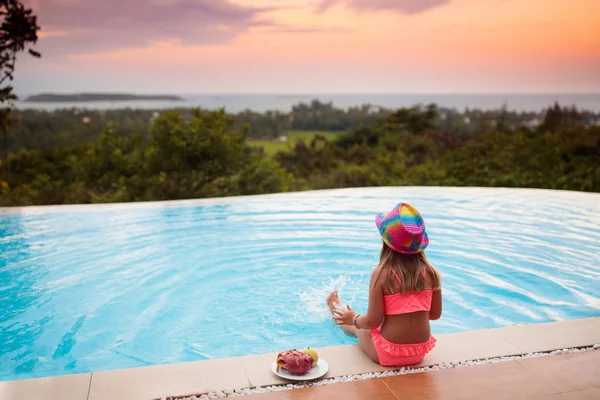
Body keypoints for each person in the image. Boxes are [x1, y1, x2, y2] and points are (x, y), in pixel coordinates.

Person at [327, 203, 442, 367]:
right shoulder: (432, 273)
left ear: (386, 242)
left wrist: (354, 319)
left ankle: (337, 309)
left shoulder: (381, 274)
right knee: (383, 321)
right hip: (418, 353)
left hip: (388, 354)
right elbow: (434, 314)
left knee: (357, 327)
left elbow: (372, 321)